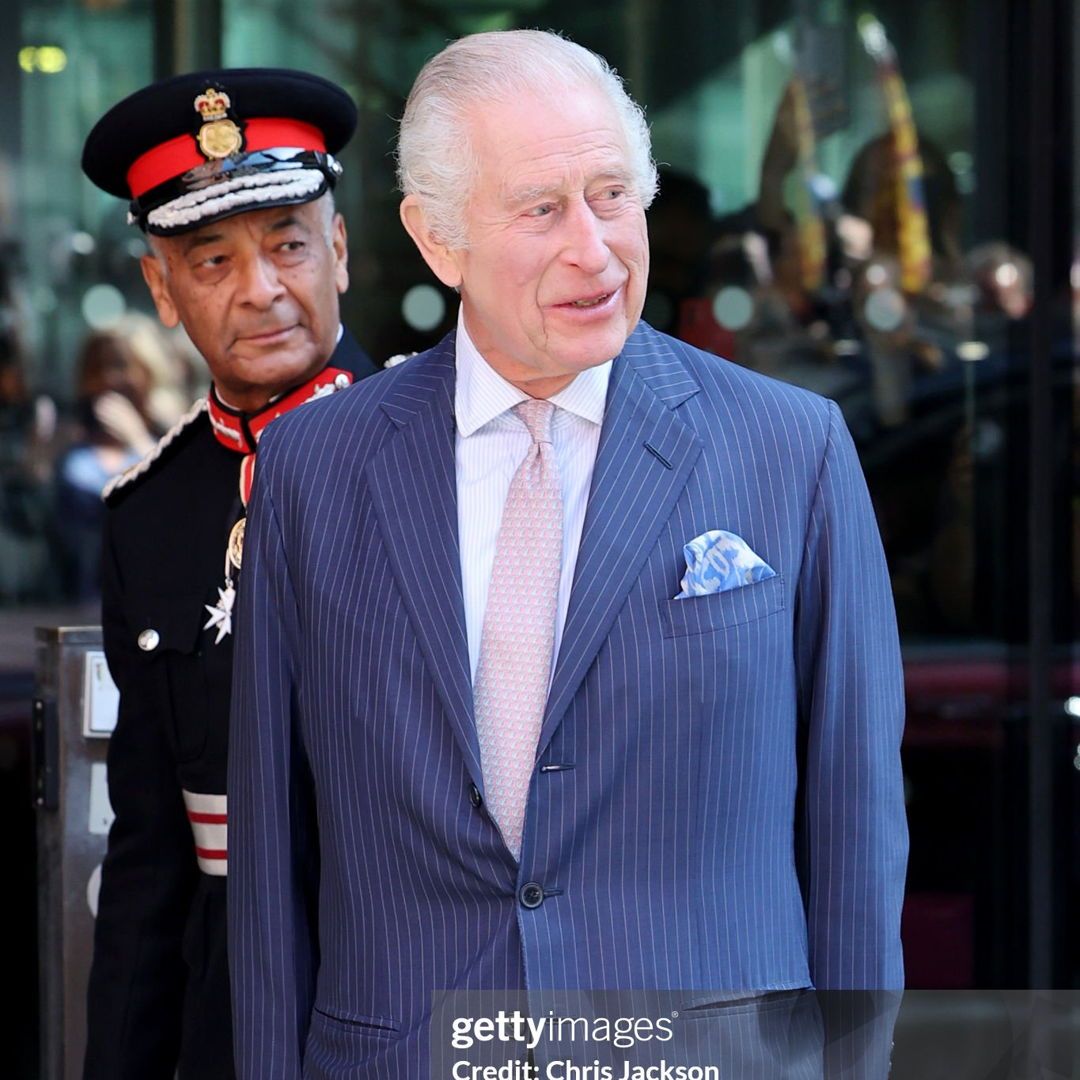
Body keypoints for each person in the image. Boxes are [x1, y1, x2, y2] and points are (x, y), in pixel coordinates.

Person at [229, 31, 908, 1078]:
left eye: (612, 195)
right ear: (437, 239)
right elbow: (273, 854)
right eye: (542, 208)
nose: (594, 249)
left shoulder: (792, 448)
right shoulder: (315, 470)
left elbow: (856, 835)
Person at [80, 68, 378, 1079]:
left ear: (339, 250)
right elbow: (150, 857)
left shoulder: (453, 457)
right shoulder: (148, 516)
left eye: (290, 243)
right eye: (212, 260)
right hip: (229, 1021)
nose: (261, 289)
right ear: (162, 290)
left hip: (418, 997)